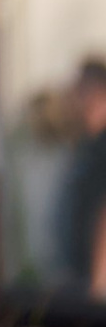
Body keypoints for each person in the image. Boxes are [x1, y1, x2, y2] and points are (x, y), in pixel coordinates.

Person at [56, 58, 106, 303]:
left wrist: (99, 282)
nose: (74, 97)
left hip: (95, 288)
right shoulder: (87, 145)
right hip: (80, 281)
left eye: (80, 88)